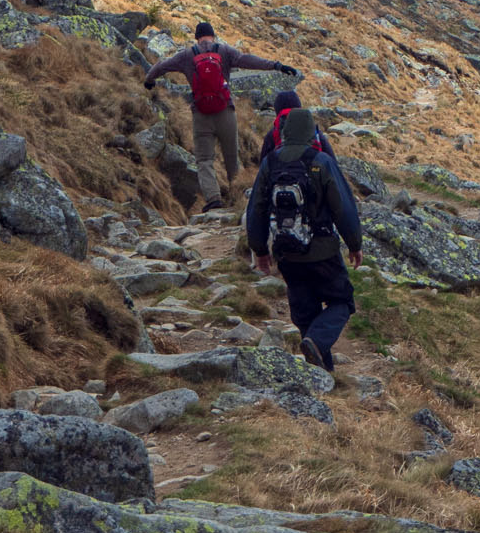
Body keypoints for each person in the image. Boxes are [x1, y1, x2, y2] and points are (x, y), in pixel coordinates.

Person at [247, 107, 362, 373]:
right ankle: (317, 343)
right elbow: (343, 208)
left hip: (287, 253)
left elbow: (256, 208)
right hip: (322, 252)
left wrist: (260, 249)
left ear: (285, 132)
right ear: (312, 132)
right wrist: (354, 245)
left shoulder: (271, 162)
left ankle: (324, 377)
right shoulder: (321, 161)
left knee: (305, 314)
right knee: (341, 302)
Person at [143, 21, 294, 212]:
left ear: (197, 37)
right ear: (212, 36)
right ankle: (238, 200)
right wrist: (276, 65)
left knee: (204, 160)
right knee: (231, 157)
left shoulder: (187, 55)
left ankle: (214, 199)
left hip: (201, 115)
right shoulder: (224, 51)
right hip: (225, 113)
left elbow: (161, 67)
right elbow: (249, 60)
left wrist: (149, 81)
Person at [256, 89, 333, 166]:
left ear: (277, 110)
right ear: (299, 108)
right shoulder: (314, 133)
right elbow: (333, 164)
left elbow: (263, 168)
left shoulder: (272, 135)